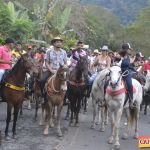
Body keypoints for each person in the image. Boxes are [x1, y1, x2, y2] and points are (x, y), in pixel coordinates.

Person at [119, 43, 136, 108]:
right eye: (129, 49)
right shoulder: (119, 56)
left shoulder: (129, 57)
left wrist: (135, 70)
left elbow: (130, 66)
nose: (130, 50)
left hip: (127, 73)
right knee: (107, 82)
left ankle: (131, 101)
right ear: (126, 49)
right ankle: (104, 99)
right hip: (118, 72)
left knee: (129, 84)